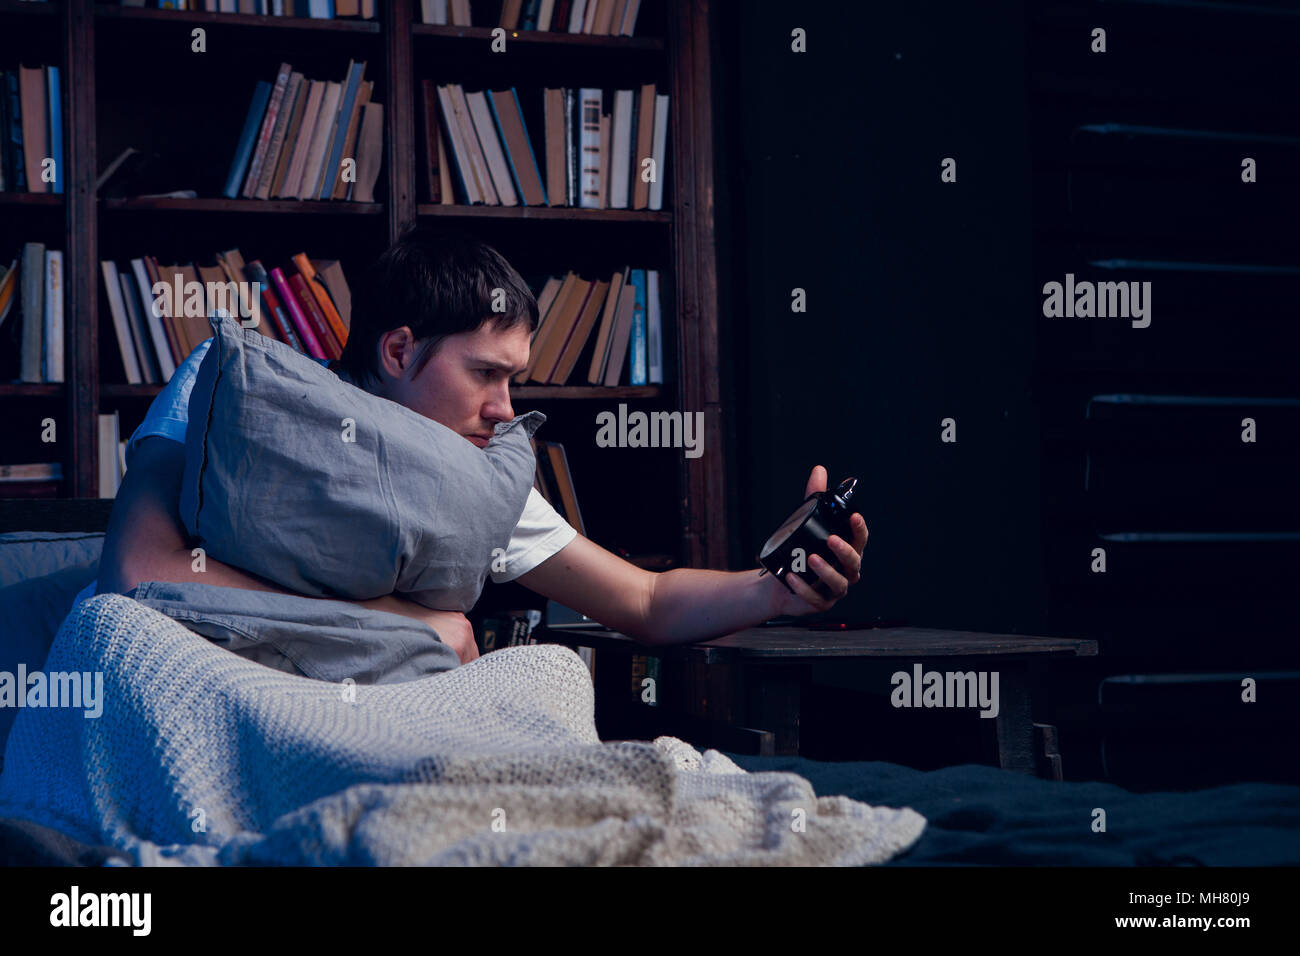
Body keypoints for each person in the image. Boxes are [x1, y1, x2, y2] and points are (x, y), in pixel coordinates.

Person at [88, 230, 868, 665]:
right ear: (398, 351)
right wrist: (409, 624)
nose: (504, 411)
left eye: (514, 379)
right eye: (484, 374)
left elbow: (646, 601)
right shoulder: (231, 387)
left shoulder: (466, 480)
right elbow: (140, 574)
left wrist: (776, 590)